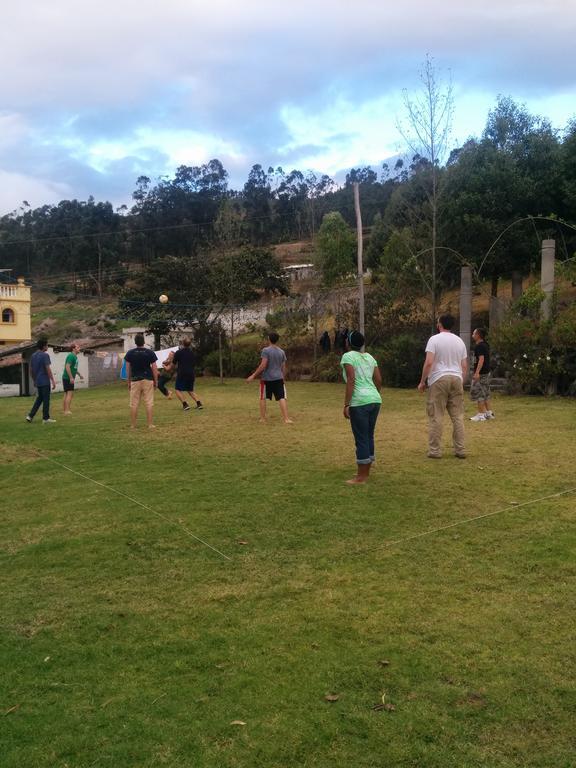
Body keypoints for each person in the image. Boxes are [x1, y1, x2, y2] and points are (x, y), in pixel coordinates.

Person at [418, 314, 468, 459]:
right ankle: (460, 449)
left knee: (436, 415)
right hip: (457, 378)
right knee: (458, 416)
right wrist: (461, 381)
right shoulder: (460, 341)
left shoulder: (434, 340)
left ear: (439, 324)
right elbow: (464, 366)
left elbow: (428, 363)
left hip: (439, 379)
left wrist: (422, 381)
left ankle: (435, 451)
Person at [341, 330, 382, 484]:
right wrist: (374, 395)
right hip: (375, 400)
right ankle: (366, 470)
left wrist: (347, 404)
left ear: (348, 343)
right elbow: (378, 379)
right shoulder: (370, 357)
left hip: (359, 402)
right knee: (369, 435)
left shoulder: (348, 357)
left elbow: (351, 379)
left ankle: (360, 477)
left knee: (361, 438)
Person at [246, 332, 293, 424]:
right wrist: (283, 378)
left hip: (266, 379)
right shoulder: (282, 352)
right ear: (277, 340)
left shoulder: (266, 351)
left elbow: (263, 365)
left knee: (262, 398)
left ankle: (263, 419)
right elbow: (283, 367)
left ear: (269, 339)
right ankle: (286, 419)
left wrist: (253, 375)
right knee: (281, 397)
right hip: (279, 378)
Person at [124, 333, 158, 429]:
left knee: (134, 403)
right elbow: (154, 368)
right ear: (144, 341)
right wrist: (156, 381)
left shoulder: (130, 353)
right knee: (149, 402)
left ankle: (133, 425)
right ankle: (150, 424)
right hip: (148, 379)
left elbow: (128, 369)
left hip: (135, 380)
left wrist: (128, 381)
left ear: (135, 342)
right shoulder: (150, 353)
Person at [26, 339, 56, 424]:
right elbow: (48, 369)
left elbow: (31, 370)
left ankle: (30, 416)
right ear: (43, 346)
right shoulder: (45, 355)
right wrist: (53, 380)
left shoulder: (33, 355)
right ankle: (46, 418)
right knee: (46, 399)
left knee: (39, 399)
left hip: (38, 381)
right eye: (47, 345)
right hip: (45, 381)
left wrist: (34, 380)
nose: (47, 346)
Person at [469, 327, 494, 421]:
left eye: (474, 333)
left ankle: (481, 414)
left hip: (481, 373)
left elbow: (481, 359)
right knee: (486, 393)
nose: (472, 335)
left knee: (479, 393)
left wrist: (477, 372)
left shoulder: (479, 346)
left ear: (478, 335)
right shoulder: (486, 345)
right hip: (486, 373)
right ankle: (489, 413)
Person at [173, 337, 203, 411]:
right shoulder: (192, 353)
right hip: (191, 373)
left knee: (177, 389)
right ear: (189, 344)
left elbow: (173, 363)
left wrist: (167, 366)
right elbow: (193, 364)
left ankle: (185, 404)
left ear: (182, 343)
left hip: (182, 373)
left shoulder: (179, 352)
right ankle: (199, 403)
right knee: (190, 390)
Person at [62, 342, 84, 415]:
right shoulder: (71, 356)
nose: (79, 349)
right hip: (68, 378)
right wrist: (71, 377)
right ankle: (67, 411)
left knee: (67, 394)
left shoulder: (75, 356)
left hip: (67, 377)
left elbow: (74, 368)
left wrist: (79, 374)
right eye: (78, 347)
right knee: (69, 394)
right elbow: (67, 366)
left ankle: (65, 410)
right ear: (73, 349)